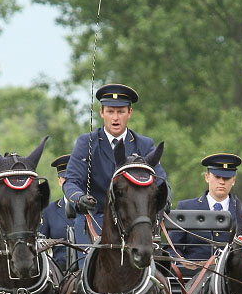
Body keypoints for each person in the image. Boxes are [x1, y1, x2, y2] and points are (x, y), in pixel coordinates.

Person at [62, 83, 170, 250]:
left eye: (120, 112)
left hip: (135, 220)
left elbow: (161, 182)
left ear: (129, 113)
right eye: (110, 111)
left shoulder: (144, 144)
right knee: (84, 274)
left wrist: (163, 200)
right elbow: (71, 182)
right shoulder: (86, 143)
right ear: (101, 113)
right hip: (96, 217)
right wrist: (79, 198)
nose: (115, 118)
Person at [169, 153, 242, 271]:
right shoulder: (186, 207)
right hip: (192, 279)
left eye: (227, 178)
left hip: (231, 278)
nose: (222, 182)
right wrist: (182, 262)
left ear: (233, 180)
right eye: (217, 177)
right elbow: (172, 247)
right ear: (207, 177)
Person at [40, 153, 72, 270]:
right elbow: (39, 244)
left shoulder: (95, 209)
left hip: (90, 277)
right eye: (66, 180)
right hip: (60, 277)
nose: (70, 184)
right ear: (59, 181)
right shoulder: (49, 211)